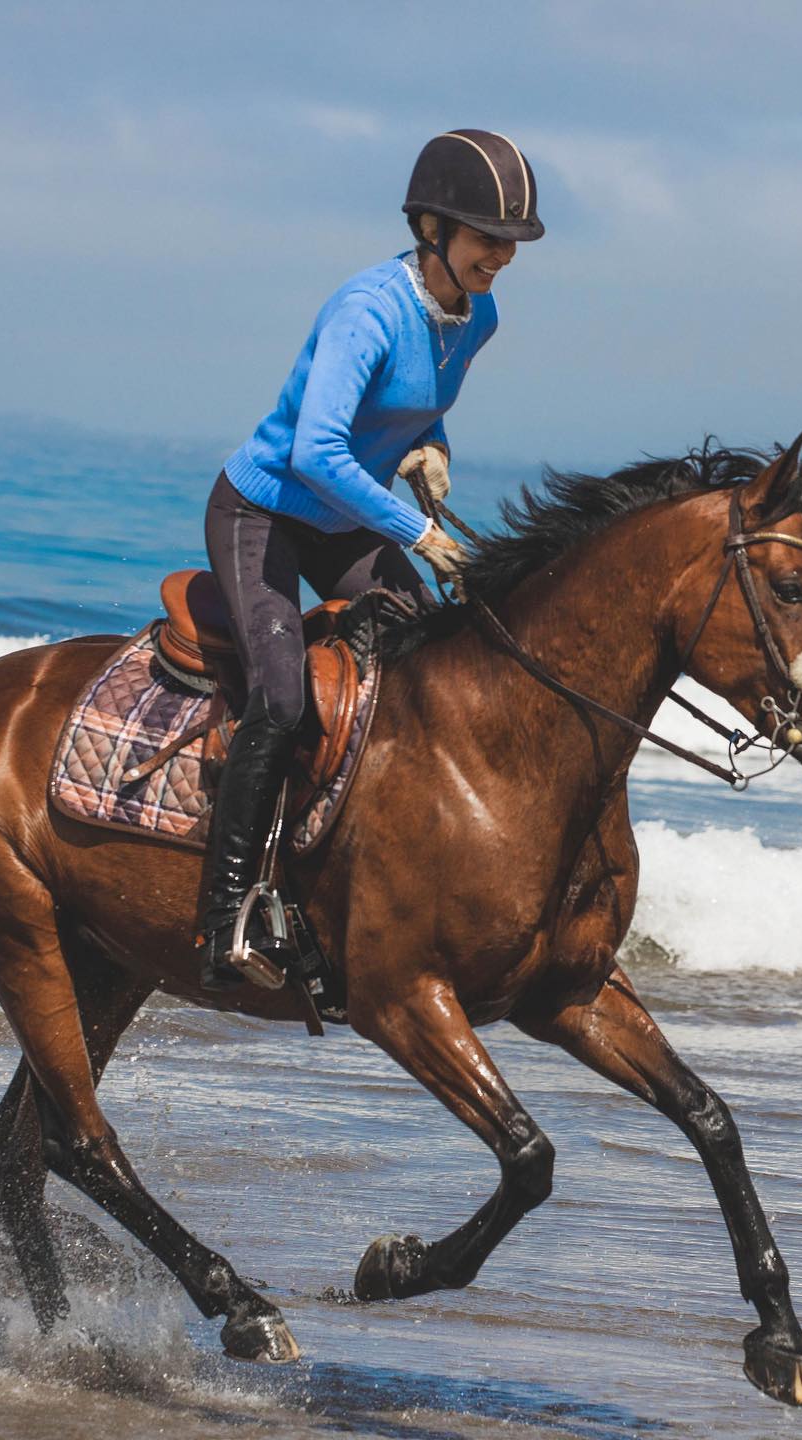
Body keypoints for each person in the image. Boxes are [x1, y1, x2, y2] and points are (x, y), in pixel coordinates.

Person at [197, 128, 545, 989]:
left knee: (433, 672)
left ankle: (385, 881)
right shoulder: (365, 309)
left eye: (511, 242)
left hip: (350, 520)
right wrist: (420, 535)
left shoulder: (479, 315)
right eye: (486, 237)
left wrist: (432, 444)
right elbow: (315, 452)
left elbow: (413, 405)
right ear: (431, 227)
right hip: (265, 512)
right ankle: (225, 918)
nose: (500, 256)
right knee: (280, 699)